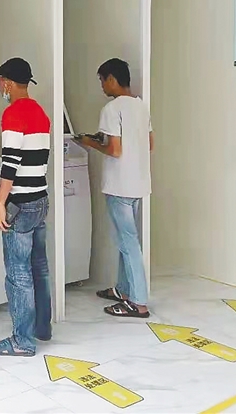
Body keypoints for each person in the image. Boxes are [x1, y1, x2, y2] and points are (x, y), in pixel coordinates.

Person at [0, 58, 52, 358]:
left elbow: (10, 164)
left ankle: (22, 341)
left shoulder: (13, 114)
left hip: (21, 204)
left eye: (0, 80)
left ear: (8, 83)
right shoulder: (41, 112)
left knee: (18, 273)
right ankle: (42, 328)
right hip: (40, 199)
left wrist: (0, 205)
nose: (0, 86)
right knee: (39, 267)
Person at [76, 58, 152, 319]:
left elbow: (115, 150)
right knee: (126, 240)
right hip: (138, 183)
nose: (101, 86)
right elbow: (149, 144)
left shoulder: (112, 108)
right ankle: (123, 289)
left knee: (128, 243)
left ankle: (138, 303)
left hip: (119, 185)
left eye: (102, 80)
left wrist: (89, 142)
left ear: (111, 78)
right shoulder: (141, 106)